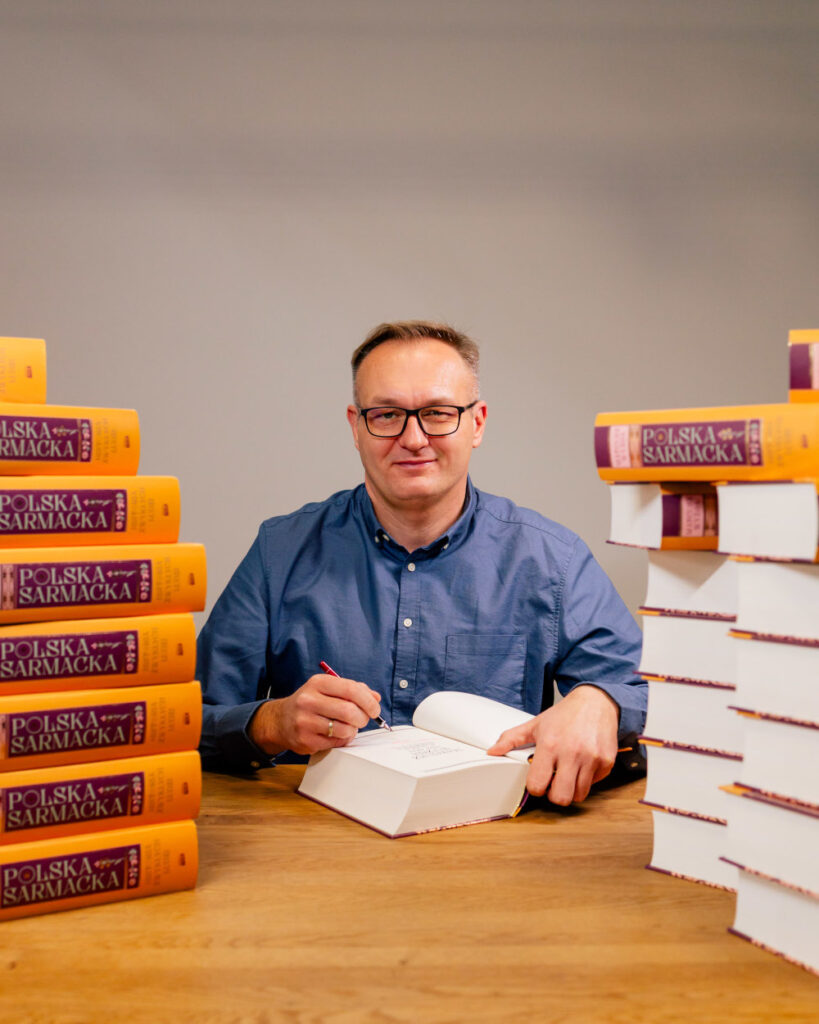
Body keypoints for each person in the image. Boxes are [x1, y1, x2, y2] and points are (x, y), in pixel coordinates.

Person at [197, 321, 646, 805]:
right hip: (316, 835)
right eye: (387, 415)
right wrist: (271, 723)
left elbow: (651, 695)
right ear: (356, 426)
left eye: (437, 413)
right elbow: (184, 722)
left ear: (477, 423)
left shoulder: (552, 559)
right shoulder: (279, 551)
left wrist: (601, 702)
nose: (413, 438)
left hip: (497, 834)